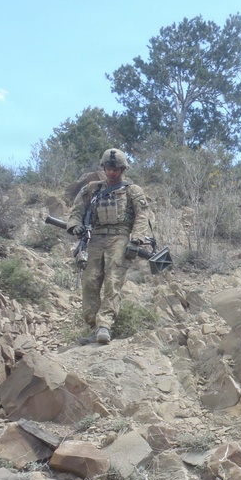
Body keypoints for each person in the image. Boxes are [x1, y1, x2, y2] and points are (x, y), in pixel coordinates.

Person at [65, 148, 155, 345]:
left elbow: (142, 216)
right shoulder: (91, 189)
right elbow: (77, 210)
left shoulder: (132, 191)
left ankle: (105, 325)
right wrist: (74, 225)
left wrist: (136, 239)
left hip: (119, 238)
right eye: (108, 168)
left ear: (122, 169)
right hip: (94, 239)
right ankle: (94, 327)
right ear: (104, 168)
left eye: (116, 169)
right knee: (89, 282)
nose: (112, 172)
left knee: (112, 282)